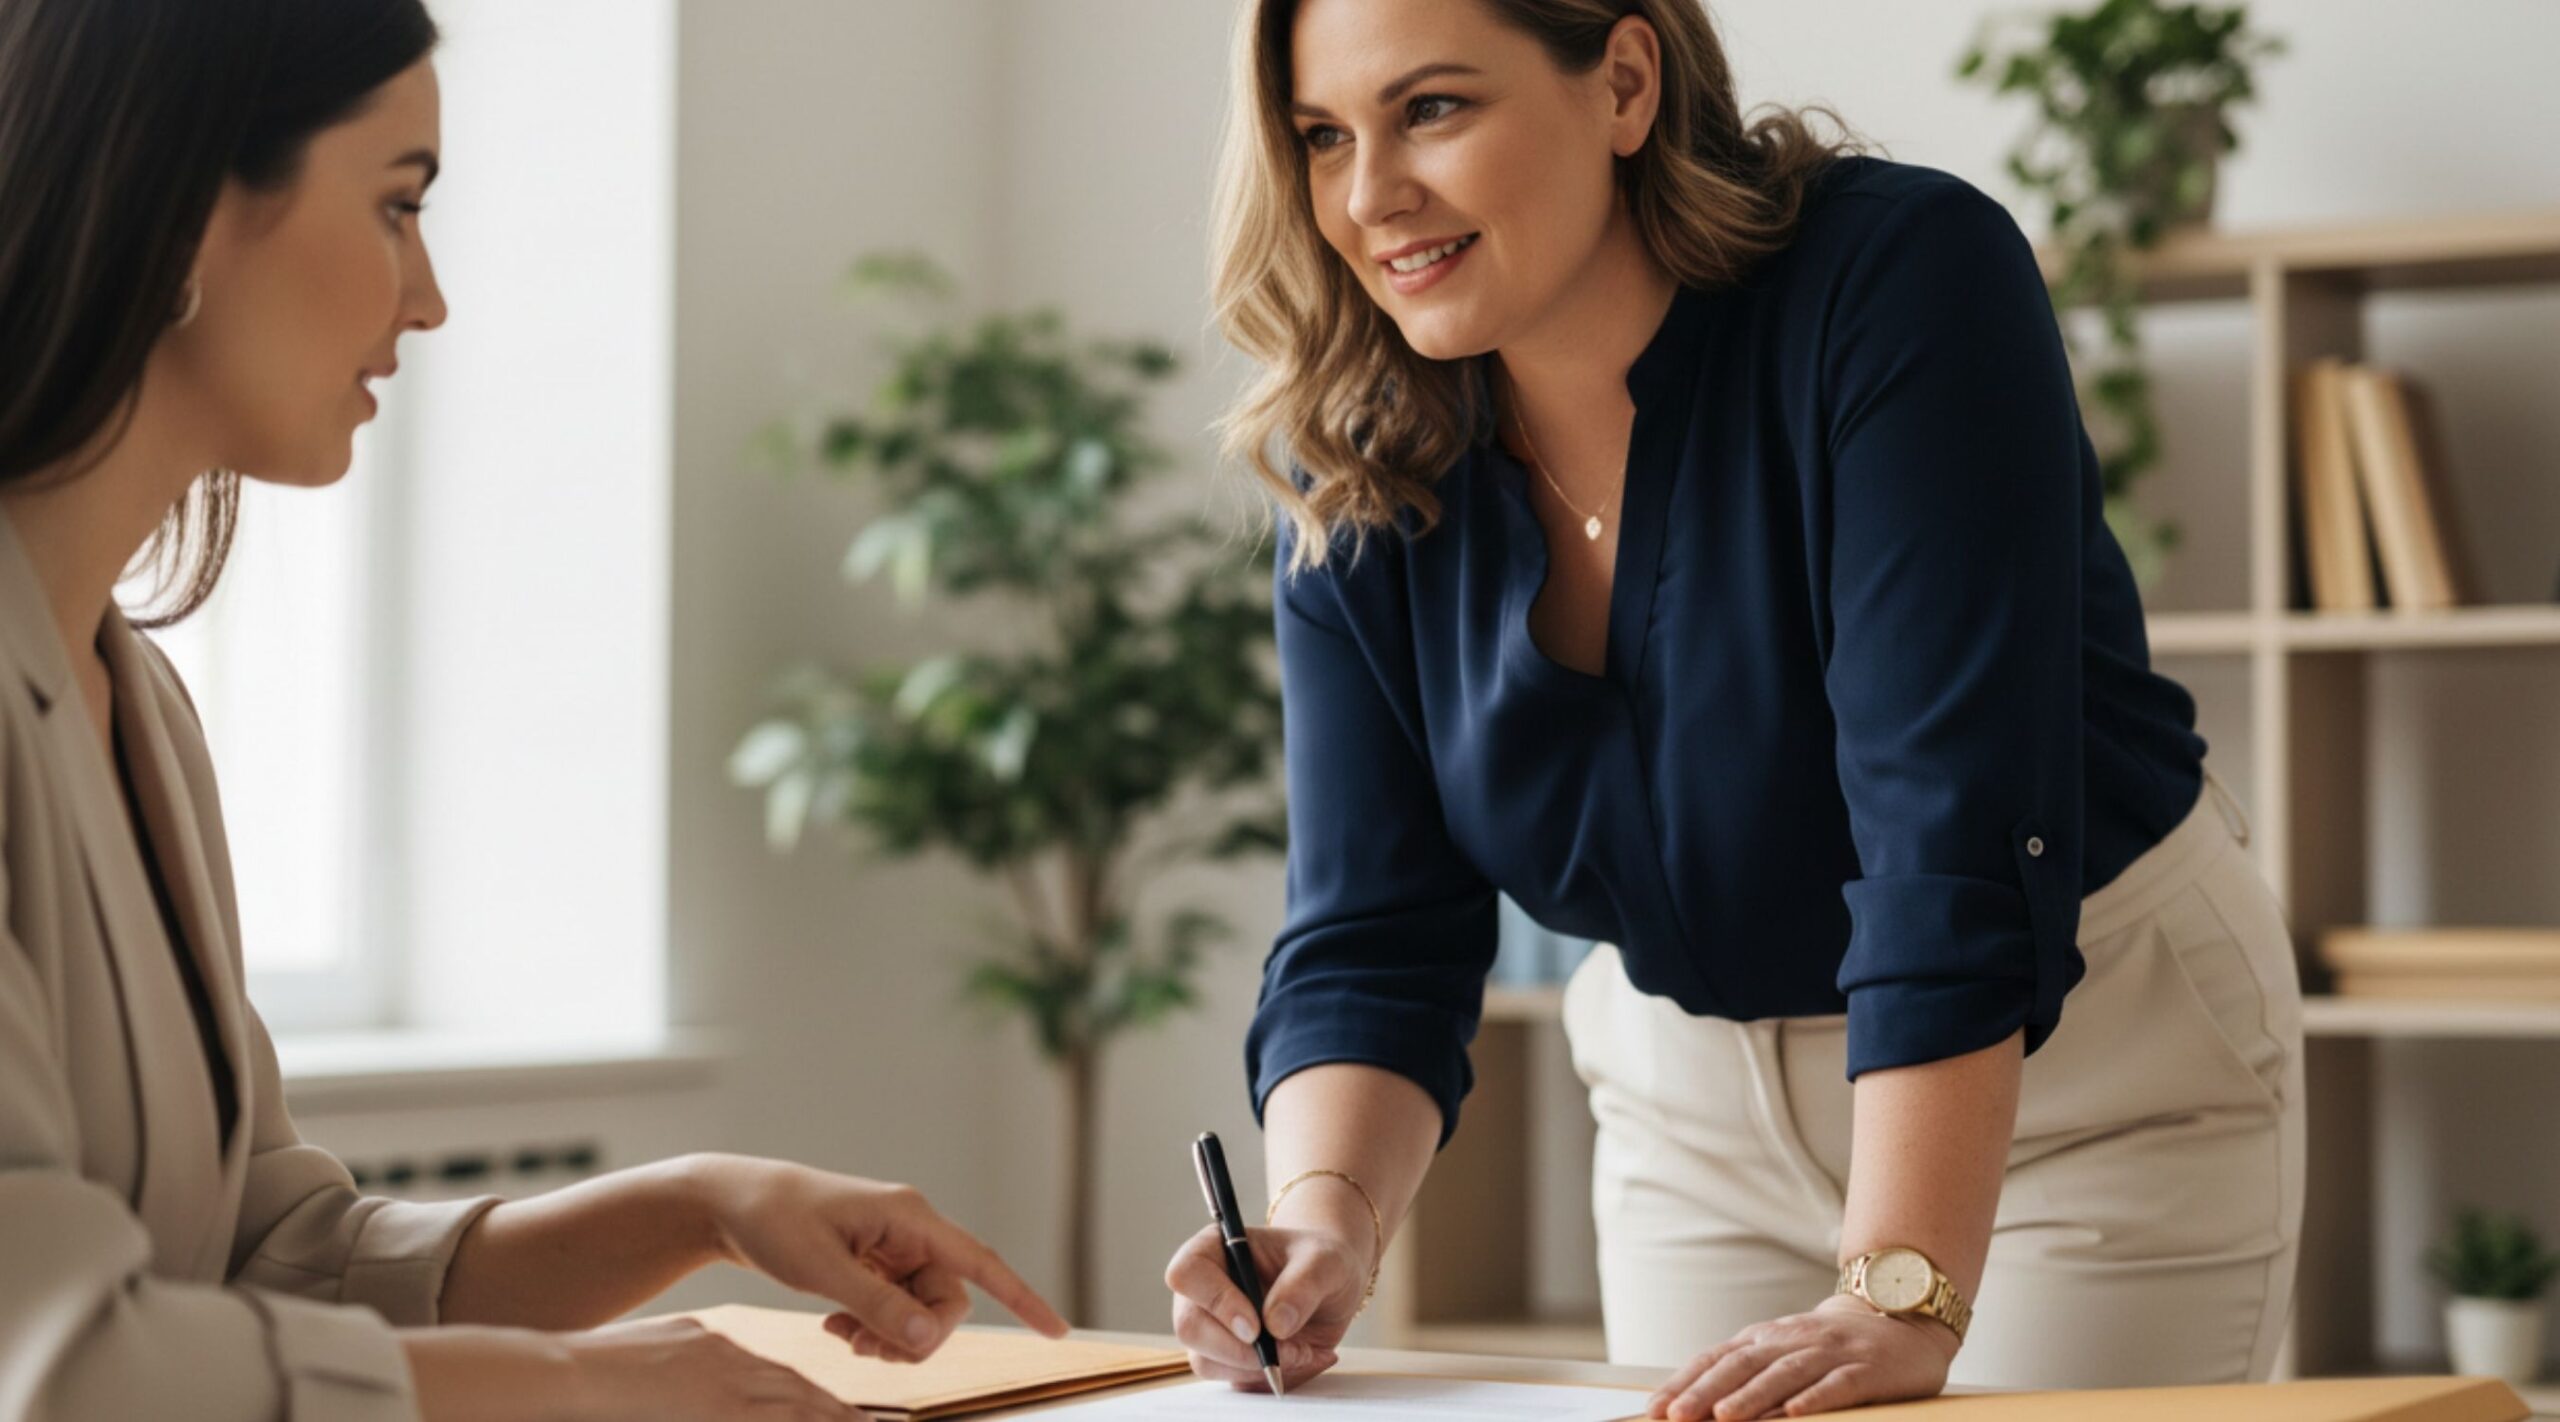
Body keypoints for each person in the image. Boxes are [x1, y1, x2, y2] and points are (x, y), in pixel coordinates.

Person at [1164, 0, 2304, 1417]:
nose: (1367, 195)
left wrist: (1900, 1279)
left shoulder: (1897, 284)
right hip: (1687, 1100)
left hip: (2071, 1078)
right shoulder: (1356, 456)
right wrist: (1325, 1217)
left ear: (1626, 81)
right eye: (1322, 137)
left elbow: (1944, 838)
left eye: (1433, 110)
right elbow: (1371, 926)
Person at [0, 2, 1066, 1418]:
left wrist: (699, 1204)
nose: (428, 294)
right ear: (184, 198)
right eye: (396, 206)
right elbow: (60, 1362)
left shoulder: (140, 709)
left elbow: (266, 1261)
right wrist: (579, 1389)